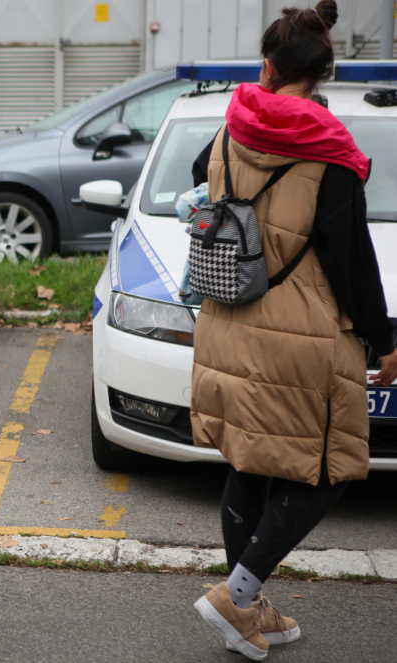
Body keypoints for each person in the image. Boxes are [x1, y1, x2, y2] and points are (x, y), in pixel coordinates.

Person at [188, 1, 397, 659]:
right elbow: (350, 256)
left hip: (230, 317)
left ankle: (248, 607)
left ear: (268, 67)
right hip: (302, 332)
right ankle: (238, 593)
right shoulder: (329, 149)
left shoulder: (230, 126)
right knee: (327, 468)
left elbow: (202, 177)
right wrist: (382, 338)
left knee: (252, 457)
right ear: (322, 73)